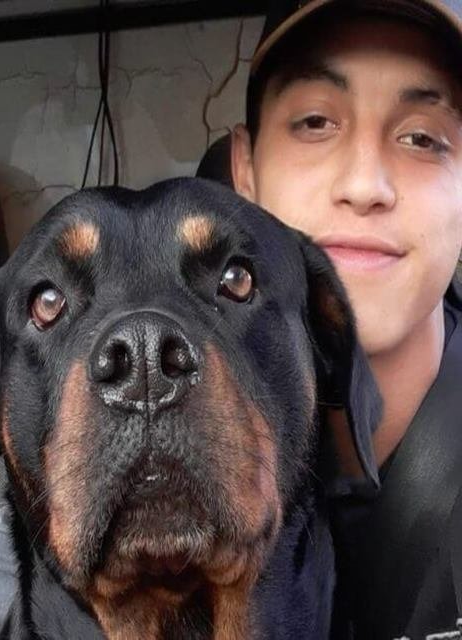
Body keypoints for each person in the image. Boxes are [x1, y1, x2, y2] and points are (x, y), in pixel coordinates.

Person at [226, 2, 462, 636]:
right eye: (314, 121)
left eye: (421, 137)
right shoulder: (189, 448)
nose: (365, 183)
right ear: (245, 171)